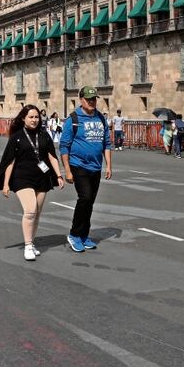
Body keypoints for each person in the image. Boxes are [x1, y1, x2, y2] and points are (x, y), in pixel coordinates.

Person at [0, 105, 65, 261]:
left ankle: (32, 242)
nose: (34, 120)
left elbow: (52, 156)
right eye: (31, 117)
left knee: (36, 214)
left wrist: (59, 175)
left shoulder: (44, 135)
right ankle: (28, 245)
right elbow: (9, 162)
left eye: (36, 117)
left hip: (42, 178)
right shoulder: (17, 137)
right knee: (30, 211)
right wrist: (6, 184)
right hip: (22, 178)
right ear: (23, 118)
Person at [59, 86, 113, 253]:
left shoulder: (100, 119)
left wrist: (109, 165)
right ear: (81, 100)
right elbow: (64, 146)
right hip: (78, 165)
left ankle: (84, 235)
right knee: (85, 197)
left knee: (90, 202)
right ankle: (74, 234)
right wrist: (67, 170)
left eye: (94, 99)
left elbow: (107, 144)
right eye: (88, 99)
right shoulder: (73, 119)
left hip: (95, 167)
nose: (92, 102)